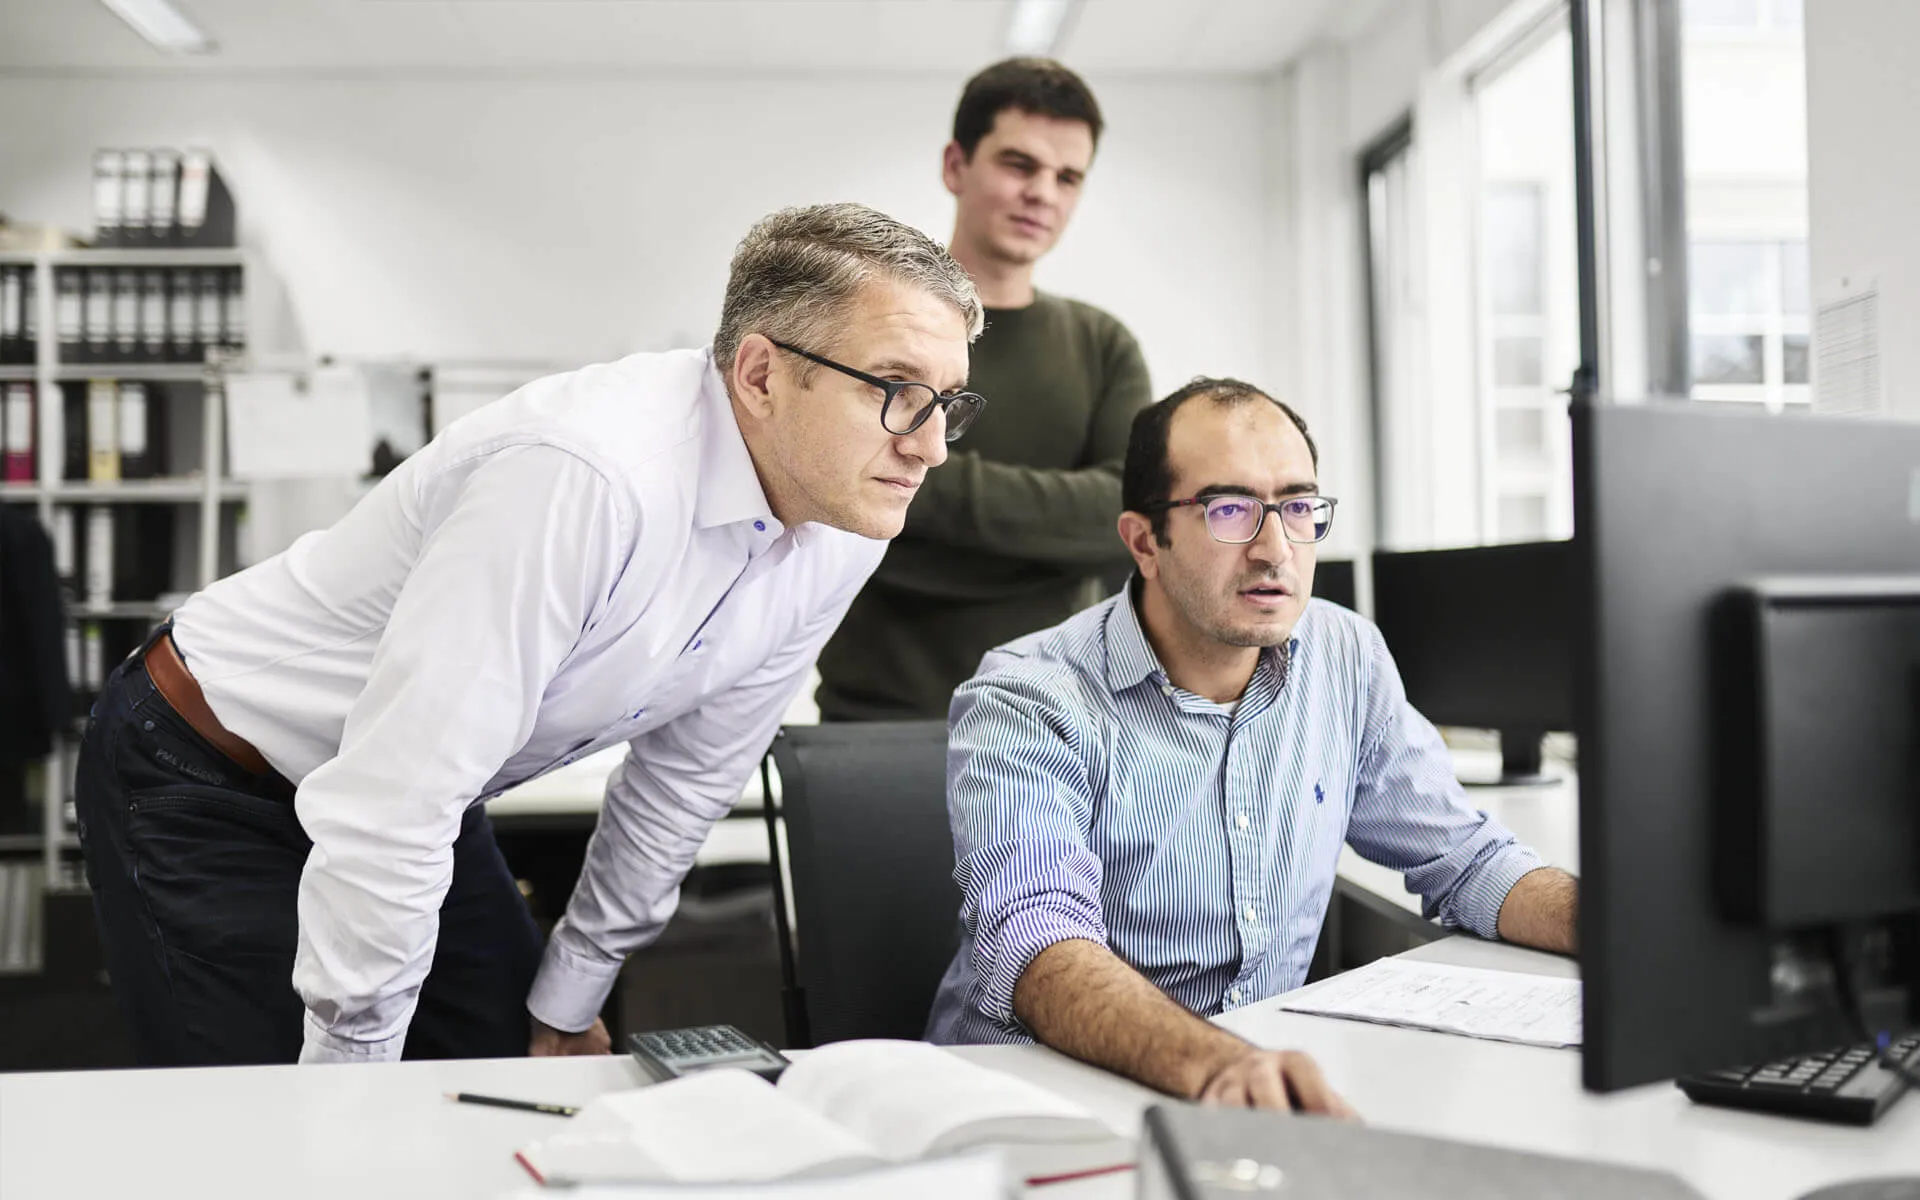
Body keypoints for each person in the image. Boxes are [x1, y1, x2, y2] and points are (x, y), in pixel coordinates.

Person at [74, 203, 986, 1066]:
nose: (932, 446)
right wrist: (349, 1084)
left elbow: (687, 777)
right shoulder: (585, 474)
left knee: (510, 1060)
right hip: (211, 763)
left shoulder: (841, 520)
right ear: (760, 376)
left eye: (949, 402)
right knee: (261, 1124)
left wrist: (571, 1000)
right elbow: (398, 794)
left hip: (420, 792)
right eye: (901, 392)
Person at [925, 378, 1578, 1112]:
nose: (1275, 549)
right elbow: (1038, 945)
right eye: (1230, 509)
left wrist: (1623, 932)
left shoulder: (1344, 654)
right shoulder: (1029, 695)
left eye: (1297, 507)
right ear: (1145, 541)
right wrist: (1222, 1068)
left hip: (1244, 1096)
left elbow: (1468, 861)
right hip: (1041, 1101)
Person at [816, 57, 1153, 721]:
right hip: (877, 725)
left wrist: (922, 503)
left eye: (1067, 178)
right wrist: (1053, 552)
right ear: (955, 166)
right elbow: (836, 484)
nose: (1043, 194)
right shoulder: (868, 326)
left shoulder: (1103, 345)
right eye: (1019, 165)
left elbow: (1128, 515)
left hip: (1057, 722)